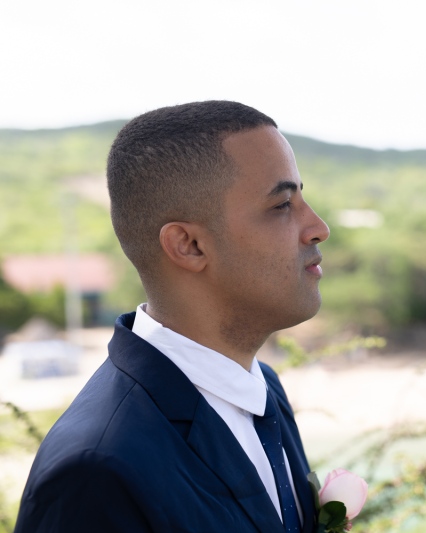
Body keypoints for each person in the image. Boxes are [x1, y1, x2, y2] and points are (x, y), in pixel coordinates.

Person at [14, 101, 330, 533]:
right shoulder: (96, 471)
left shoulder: (262, 388)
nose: (317, 227)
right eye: (282, 205)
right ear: (189, 246)